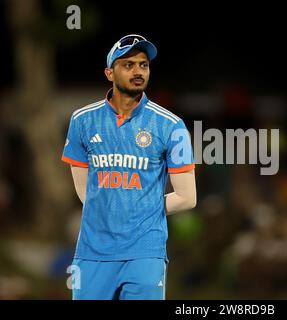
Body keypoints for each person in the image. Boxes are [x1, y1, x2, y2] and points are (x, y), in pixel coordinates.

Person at [61, 34, 197, 300]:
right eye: (128, 65)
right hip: (91, 254)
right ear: (109, 73)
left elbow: (187, 198)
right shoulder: (82, 121)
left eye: (143, 65)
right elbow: (86, 193)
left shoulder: (171, 125)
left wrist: (137, 210)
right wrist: (114, 213)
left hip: (145, 253)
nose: (138, 71)